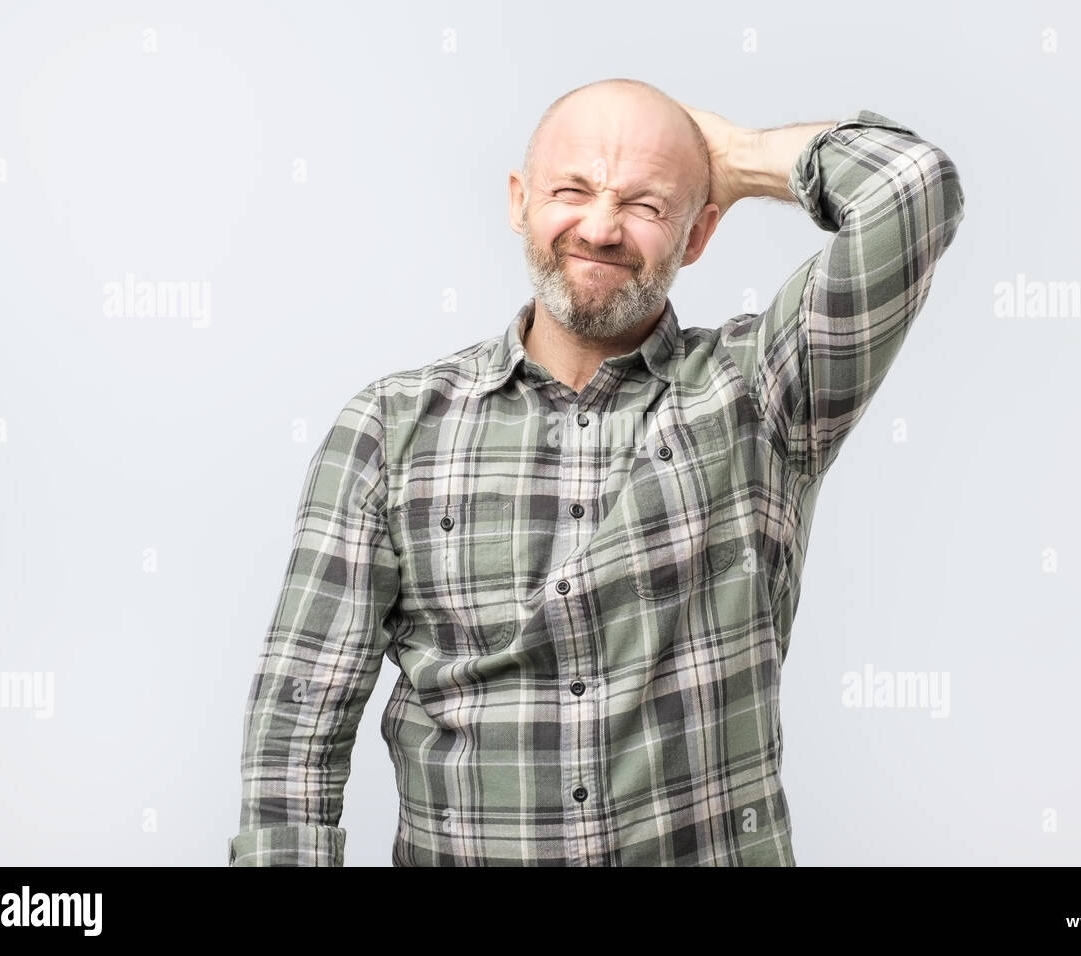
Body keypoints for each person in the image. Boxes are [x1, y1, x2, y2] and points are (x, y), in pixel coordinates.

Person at [229, 77, 965, 866]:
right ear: (520, 202)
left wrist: (737, 155)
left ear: (698, 233)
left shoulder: (766, 391)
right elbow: (296, 732)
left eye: (647, 205)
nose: (602, 227)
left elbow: (910, 186)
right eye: (571, 190)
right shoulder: (389, 429)